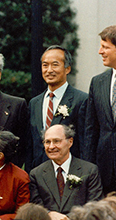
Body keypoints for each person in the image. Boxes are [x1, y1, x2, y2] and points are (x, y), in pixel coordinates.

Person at [26, 45, 88, 172]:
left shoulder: (81, 100)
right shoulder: (34, 103)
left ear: (67, 69)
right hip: (38, 175)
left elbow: (85, 143)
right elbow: (31, 145)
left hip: (70, 173)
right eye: (45, 65)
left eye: (55, 65)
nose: (49, 70)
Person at [30, 124, 103, 220]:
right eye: (47, 142)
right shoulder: (36, 174)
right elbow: (35, 206)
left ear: (70, 142)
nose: (51, 147)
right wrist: (49, 214)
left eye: (56, 141)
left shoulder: (89, 170)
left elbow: (95, 205)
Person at [84, 25, 116, 195]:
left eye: (105, 47)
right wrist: (88, 168)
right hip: (104, 170)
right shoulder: (97, 82)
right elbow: (91, 129)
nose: (100, 51)